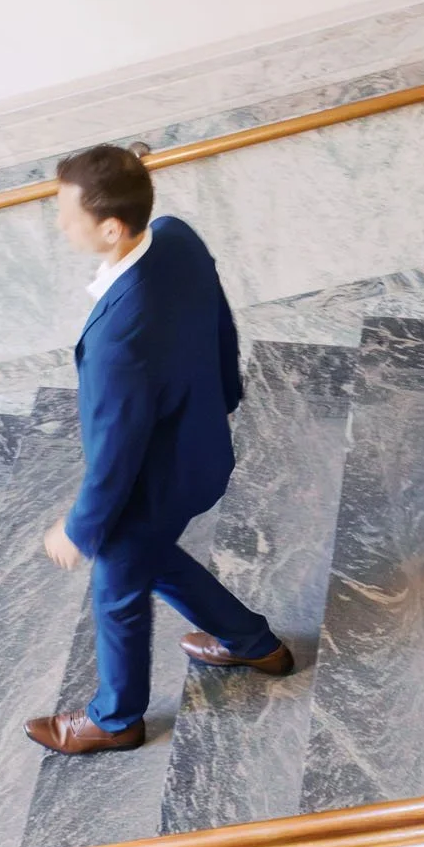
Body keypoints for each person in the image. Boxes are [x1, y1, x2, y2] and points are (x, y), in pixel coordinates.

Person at [25, 144, 292, 757]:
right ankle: (252, 643)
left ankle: (116, 719)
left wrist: (79, 529)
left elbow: (116, 452)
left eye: (67, 215)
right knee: (151, 559)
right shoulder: (175, 236)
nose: (60, 226)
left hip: (151, 480)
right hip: (198, 452)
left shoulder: (119, 336)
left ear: (111, 228)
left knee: (117, 589)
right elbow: (222, 322)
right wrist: (222, 397)